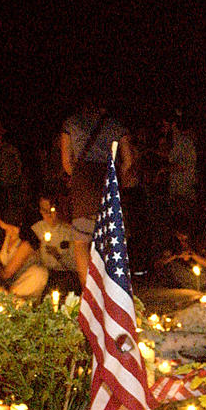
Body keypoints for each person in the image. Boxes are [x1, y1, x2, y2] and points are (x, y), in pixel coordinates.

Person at [60, 91, 133, 286]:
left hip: (83, 185)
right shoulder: (116, 126)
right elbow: (128, 161)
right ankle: (111, 290)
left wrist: (79, 177)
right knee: (110, 240)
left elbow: (67, 163)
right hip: (108, 181)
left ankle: (88, 291)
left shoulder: (71, 124)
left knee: (82, 241)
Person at [154, 218, 206, 290]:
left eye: (184, 237)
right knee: (171, 267)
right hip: (185, 273)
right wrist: (176, 256)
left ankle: (197, 285)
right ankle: (194, 285)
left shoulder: (201, 242)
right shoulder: (173, 243)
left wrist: (192, 255)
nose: (181, 238)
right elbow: (159, 264)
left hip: (201, 274)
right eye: (178, 235)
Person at [31, 193, 77, 276]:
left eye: (51, 211)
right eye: (45, 211)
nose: (49, 215)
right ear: (40, 211)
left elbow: (75, 265)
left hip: (64, 274)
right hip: (41, 275)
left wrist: (58, 256)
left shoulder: (69, 232)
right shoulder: (36, 229)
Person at [0, 119, 24, 212]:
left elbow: (19, 166)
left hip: (10, 186)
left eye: (0, 128)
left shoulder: (12, 149)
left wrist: (14, 179)